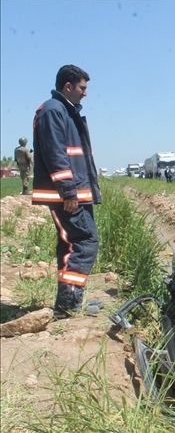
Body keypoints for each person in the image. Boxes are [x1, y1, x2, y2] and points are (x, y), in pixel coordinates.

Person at [32, 65, 101, 317]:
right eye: (82, 88)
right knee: (85, 241)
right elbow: (55, 154)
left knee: (71, 244)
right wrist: (68, 191)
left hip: (75, 192)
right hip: (68, 195)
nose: (85, 94)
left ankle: (66, 305)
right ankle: (69, 304)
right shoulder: (53, 110)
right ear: (68, 86)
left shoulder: (64, 111)